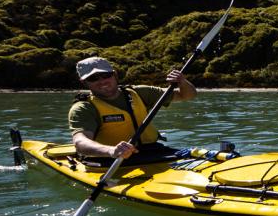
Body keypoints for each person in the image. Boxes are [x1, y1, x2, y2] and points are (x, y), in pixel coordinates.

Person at [68, 56, 196, 159]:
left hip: (152, 151)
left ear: (115, 75)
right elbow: (80, 142)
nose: (102, 81)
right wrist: (111, 151)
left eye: (106, 75)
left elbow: (188, 95)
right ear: (84, 82)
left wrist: (182, 82)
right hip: (109, 159)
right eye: (93, 78)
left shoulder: (140, 93)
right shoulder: (83, 108)